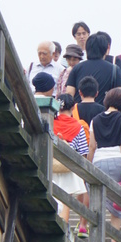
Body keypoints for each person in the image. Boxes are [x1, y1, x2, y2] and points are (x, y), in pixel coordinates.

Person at [89, 88, 121, 231]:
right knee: (117, 198)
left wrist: (88, 165)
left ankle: (97, 231)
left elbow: (92, 146)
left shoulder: (94, 120)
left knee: (98, 197)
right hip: (117, 160)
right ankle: (116, 237)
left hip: (98, 161)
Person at [52, 92, 90, 233]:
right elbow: (82, 153)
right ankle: (62, 230)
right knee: (65, 200)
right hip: (68, 168)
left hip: (52, 165)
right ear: (73, 107)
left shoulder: (51, 122)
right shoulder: (78, 126)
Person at [65, 31, 121, 103]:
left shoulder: (76, 68)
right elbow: (120, 96)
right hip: (104, 112)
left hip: (78, 112)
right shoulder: (114, 69)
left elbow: (69, 94)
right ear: (105, 49)